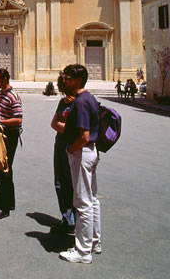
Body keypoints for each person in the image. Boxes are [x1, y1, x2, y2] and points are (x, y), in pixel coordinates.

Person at [59, 64, 101, 264]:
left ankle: (83, 251)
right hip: (91, 151)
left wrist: (71, 148)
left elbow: (83, 135)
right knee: (92, 199)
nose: (65, 80)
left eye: (68, 77)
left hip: (82, 152)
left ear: (77, 80)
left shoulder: (81, 102)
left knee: (81, 202)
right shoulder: (90, 98)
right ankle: (94, 241)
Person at [0, 68, 22, 220]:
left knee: (3, 169)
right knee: (5, 169)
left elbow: (18, 119)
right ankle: (9, 202)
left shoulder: (13, 96)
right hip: (1, 133)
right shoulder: (1, 93)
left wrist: (0, 121)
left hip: (9, 134)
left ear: (4, 79)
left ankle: (4, 208)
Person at [50, 72, 75, 235]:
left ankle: (76, 221)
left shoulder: (80, 103)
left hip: (72, 148)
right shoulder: (62, 102)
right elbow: (54, 123)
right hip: (61, 145)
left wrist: (65, 128)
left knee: (72, 184)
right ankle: (67, 219)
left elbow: (80, 130)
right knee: (61, 182)